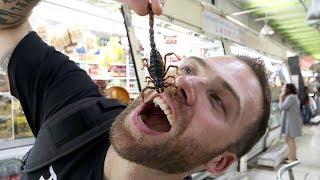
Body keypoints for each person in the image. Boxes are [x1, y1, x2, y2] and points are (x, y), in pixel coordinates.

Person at [0, 0, 271, 179]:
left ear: (220, 163)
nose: (185, 82)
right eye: (188, 69)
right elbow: (6, 23)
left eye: (217, 100)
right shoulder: (73, 105)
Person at [279, 84, 303, 163]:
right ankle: (292, 156)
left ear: (288, 90)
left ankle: (292, 159)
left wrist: (280, 98)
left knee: (289, 139)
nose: (282, 89)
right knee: (290, 139)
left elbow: (282, 107)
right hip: (292, 121)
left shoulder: (291, 97)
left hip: (291, 122)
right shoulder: (293, 97)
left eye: (284, 88)